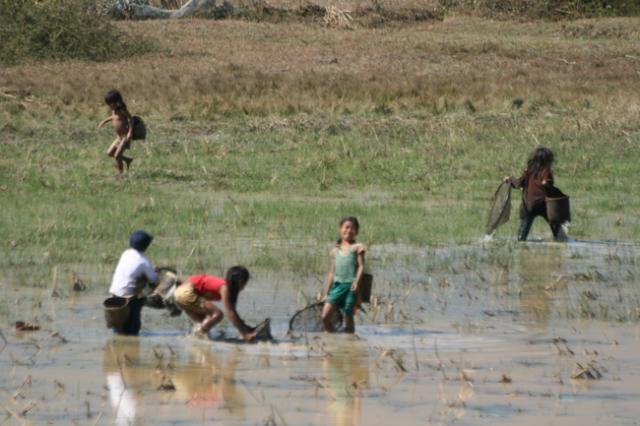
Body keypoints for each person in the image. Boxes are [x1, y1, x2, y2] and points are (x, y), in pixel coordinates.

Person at [174, 266, 257, 341]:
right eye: (245, 282)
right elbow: (230, 313)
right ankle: (196, 335)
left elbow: (234, 312)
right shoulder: (224, 287)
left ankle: (195, 341)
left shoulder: (229, 290)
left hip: (181, 293)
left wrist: (245, 328)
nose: (245, 286)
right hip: (185, 292)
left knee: (205, 322)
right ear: (240, 281)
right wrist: (244, 334)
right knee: (217, 314)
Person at [504, 146, 566, 242]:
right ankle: (560, 239)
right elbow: (548, 184)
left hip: (529, 205)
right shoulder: (547, 171)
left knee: (523, 231)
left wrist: (510, 179)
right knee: (555, 226)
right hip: (545, 205)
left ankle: (521, 239)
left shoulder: (528, 171)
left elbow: (518, 184)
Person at [108, 230, 158, 335]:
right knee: (132, 329)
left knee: (118, 323)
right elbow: (154, 279)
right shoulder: (143, 260)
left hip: (114, 294)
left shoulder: (126, 254)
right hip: (129, 299)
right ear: (146, 246)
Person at [321, 217, 366, 333]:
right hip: (336, 287)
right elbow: (331, 273)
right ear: (340, 229)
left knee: (348, 314)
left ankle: (350, 339)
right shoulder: (334, 251)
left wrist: (356, 282)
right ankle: (332, 338)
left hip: (351, 286)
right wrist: (326, 293)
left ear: (356, 232)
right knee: (325, 316)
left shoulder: (357, 248)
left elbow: (361, 266)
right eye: (346, 227)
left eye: (352, 228)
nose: (349, 230)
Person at [97, 89, 135, 175]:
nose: (110, 106)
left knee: (117, 156)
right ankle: (127, 160)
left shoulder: (122, 110)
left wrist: (130, 132)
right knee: (109, 153)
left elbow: (131, 119)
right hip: (119, 138)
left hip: (125, 137)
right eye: (108, 104)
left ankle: (121, 174)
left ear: (117, 102)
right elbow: (113, 117)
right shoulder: (114, 110)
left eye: (111, 104)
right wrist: (104, 121)